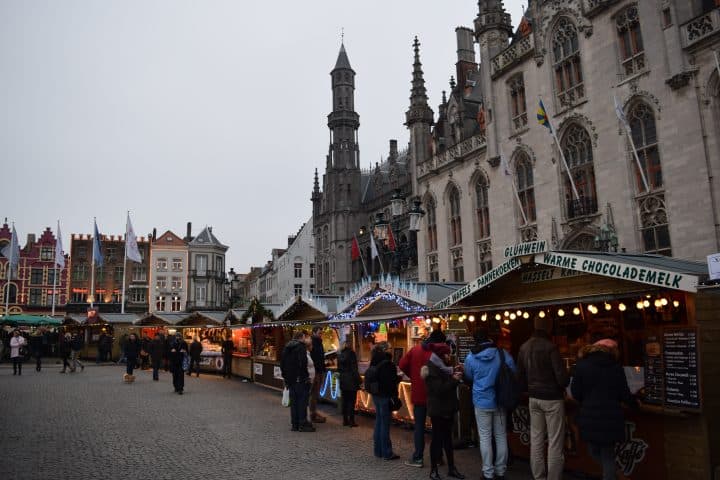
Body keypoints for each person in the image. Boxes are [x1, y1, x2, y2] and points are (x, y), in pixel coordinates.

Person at [572, 338, 637, 480]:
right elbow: (624, 393)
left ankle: (613, 473)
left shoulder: (582, 365)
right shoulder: (615, 367)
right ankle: (615, 473)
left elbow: (575, 392)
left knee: (594, 451)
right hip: (611, 417)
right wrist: (635, 405)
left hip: (589, 416)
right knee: (607, 456)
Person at [517, 316, 570, 480]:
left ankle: (538, 477)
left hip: (533, 397)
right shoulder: (551, 347)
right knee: (554, 443)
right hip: (552, 398)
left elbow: (519, 377)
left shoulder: (524, 347)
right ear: (548, 328)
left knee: (536, 440)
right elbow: (562, 379)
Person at [463, 329, 516, 480]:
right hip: (500, 400)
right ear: (488, 338)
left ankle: (488, 473)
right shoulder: (502, 354)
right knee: (500, 436)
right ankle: (500, 471)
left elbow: (468, 376)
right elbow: (513, 370)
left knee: (485, 437)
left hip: (481, 401)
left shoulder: (471, 357)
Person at [399, 328, 447, 468]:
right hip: (436, 395)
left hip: (419, 394)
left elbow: (402, 365)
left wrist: (414, 377)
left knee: (419, 427)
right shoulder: (439, 352)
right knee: (437, 427)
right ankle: (438, 457)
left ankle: (418, 457)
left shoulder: (415, 350)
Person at [422, 342, 465, 480]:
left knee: (448, 440)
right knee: (437, 440)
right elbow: (439, 390)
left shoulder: (442, 366)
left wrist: (455, 372)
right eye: (447, 353)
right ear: (441, 355)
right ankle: (433, 470)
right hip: (438, 410)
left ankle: (452, 468)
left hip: (447, 408)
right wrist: (454, 380)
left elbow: (447, 376)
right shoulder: (432, 368)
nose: (449, 356)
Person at [370, 341, 400, 460]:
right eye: (390, 348)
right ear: (385, 350)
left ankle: (378, 451)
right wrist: (398, 378)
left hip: (376, 394)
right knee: (385, 424)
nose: (391, 350)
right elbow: (389, 381)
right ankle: (387, 452)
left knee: (378, 422)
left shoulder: (374, 360)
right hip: (384, 395)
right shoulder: (388, 364)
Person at [280, 330, 314, 432]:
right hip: (300, 379)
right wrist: (305, 377)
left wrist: (286, 378)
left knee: (294, 403)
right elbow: (302, 364)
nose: (305, 339)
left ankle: (294, 424)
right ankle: (302, 424)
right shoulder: (300, 347)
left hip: (290, 380)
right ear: (301, 337)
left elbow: (282, 364)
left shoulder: (287, 347)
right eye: (304, 337)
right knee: (302, 402)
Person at [337, 340, 361, 427]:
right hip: (351, 380)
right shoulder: (351, 354)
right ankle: (351, 421)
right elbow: (354, 368)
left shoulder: (339, 354)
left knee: (345, 400)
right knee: (352, 401)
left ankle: (345, 420)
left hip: (343, 379)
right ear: (348, 344)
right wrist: (359, 381)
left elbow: (338, 368)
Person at [308, 326, 327, 423]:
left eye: (321, 333)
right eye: (319, 333)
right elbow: (313, 358)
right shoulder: (312, 343)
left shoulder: (319, 342)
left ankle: (314, 412)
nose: (321, 334)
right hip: (315, 372)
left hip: (319, 371)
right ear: (314, 333)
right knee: (313, 394)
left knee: (316, 394)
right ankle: (312, 413)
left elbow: (320, 357)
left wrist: (323, 367)